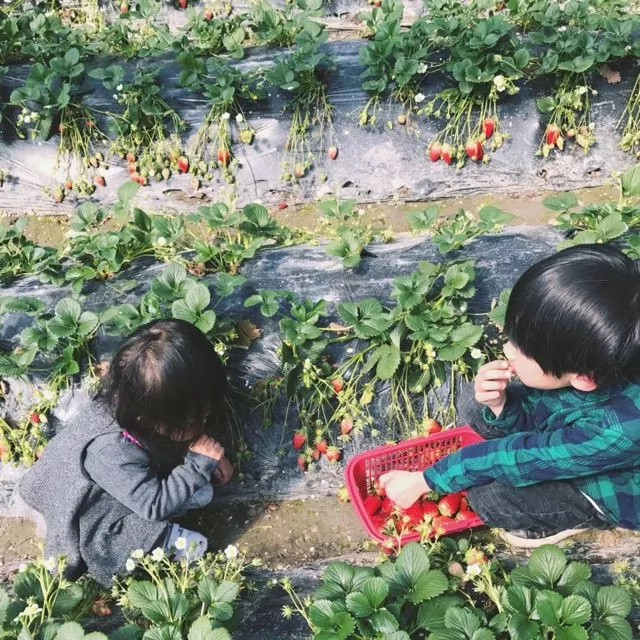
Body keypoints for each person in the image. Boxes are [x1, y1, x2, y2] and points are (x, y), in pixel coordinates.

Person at [379, 244, 640, 547]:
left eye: (523, 349)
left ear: (583, 377)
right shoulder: (606, 351)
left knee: (491, 498)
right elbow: (551, 410)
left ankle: (577, 516)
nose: (507, 349)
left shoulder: (620, 430)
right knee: (476, 401)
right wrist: (500, 405)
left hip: (612, 487)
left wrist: (424, 481)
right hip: (583, 428)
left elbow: (518, 457)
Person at [19, 319, 234, 584]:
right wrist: (199, 463)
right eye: (191, 420)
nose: (200, 423)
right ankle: (156, 542)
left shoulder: (135, 400)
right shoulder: (110, 449)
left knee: (200, 491)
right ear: (149, 418)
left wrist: (204, 449)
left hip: (109, 486)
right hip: (87, 521)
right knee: (159, 537)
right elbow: (153, 506)